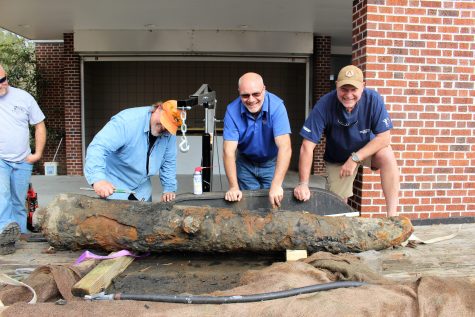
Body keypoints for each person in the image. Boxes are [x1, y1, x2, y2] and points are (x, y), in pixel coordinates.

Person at [294, 65, 399, 216]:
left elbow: (384, 138)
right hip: (337, 157)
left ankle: (392, 216)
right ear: (336, 85)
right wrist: (303, 184)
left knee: (387, 154)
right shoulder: (324, 104)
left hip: (364, 150)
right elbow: (307, 146)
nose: (348, 95)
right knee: (338, 206)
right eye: (344, 89)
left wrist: (355, 158)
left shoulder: (373, 99)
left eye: (353, 89)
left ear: (362, 87)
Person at [84, 100, 182, 202]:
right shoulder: (127, 122)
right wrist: (98, 180)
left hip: (142, 191)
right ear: (158, 109)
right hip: (115, 189)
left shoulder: (168, 133)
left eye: (168, 126)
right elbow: (98, 147)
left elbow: (168, 160)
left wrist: (169, 188)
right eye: (163, 122)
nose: (163, 128)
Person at [223, 72, 292, 208]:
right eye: (245, 95)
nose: (251, 99)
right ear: (239, 93)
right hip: (245, 163)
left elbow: (285, 147)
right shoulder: (232, 110)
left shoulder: (277, 107)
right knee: (249, 206)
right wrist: (233, 187)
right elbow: (228, 151)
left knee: (273, 204)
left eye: (256, 94)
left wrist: (277, 185)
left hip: (270, 163)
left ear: (264, 89)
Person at [0, 64, 46, 254]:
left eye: (3, 80)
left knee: (19, 200)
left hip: (22, 160)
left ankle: (21, 233)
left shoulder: (23, 97)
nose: (2, 85)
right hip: (0, 160)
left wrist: (37, 154)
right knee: (2, 197)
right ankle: (4, 234)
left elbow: (39, 125)